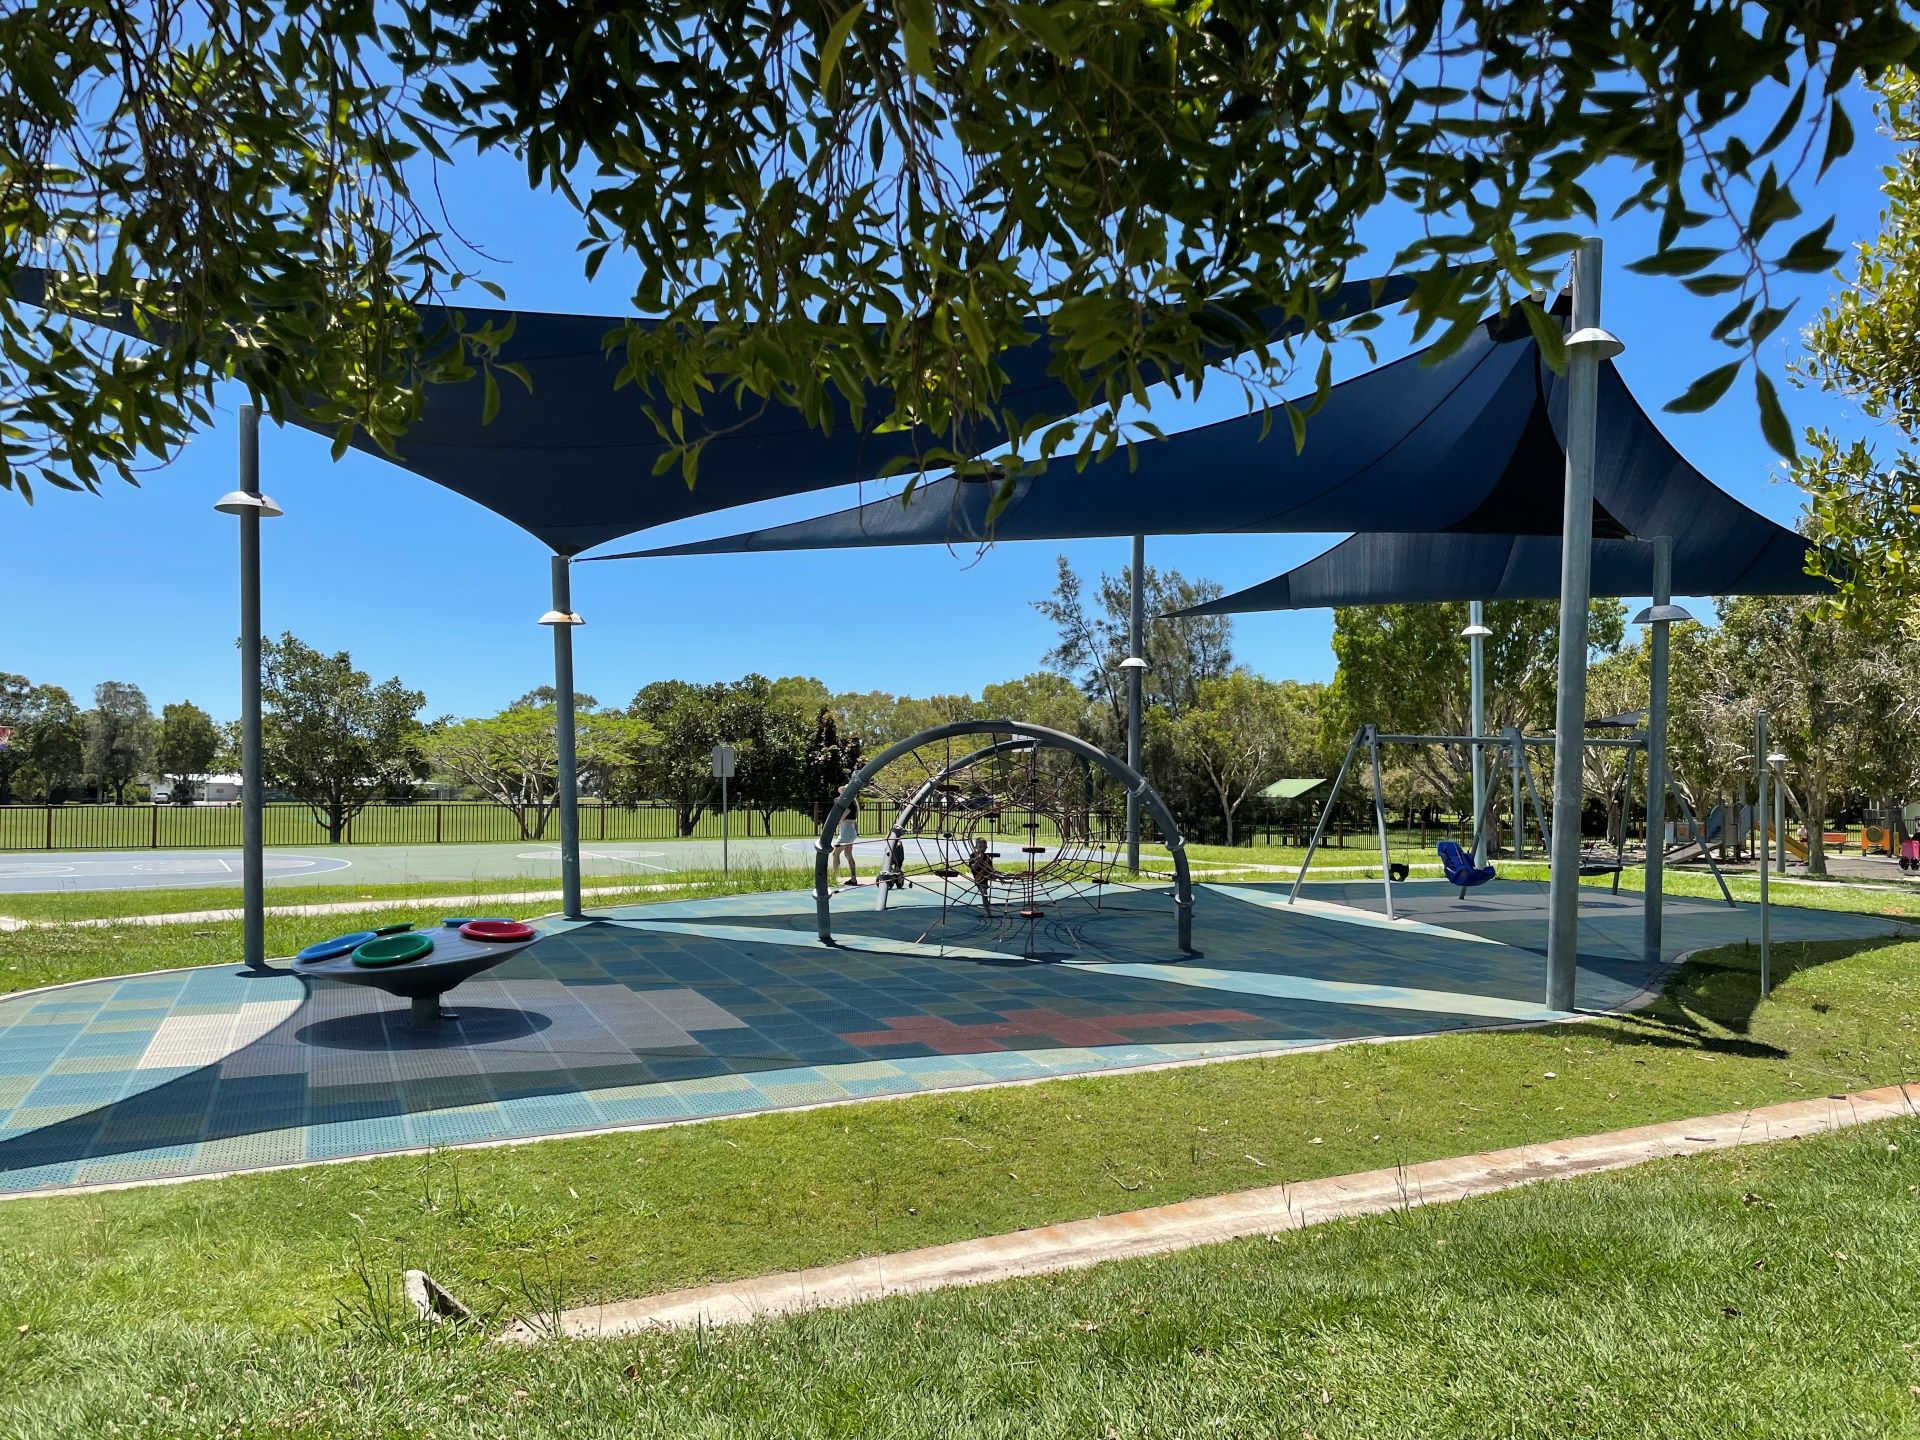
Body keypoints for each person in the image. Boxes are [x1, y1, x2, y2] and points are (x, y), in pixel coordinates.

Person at [966, 837, 999, 915]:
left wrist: (997, 876)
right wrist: (978, 860)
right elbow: (974, 868)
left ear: (986, 847)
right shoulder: (973, 855)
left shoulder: (987, 857)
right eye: (980, 847)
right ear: (976, 847)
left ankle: (1017, 877)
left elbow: (991, 870)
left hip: (987, 875)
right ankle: (988, 913)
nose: (982, 848)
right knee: (984, 893)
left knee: (1001, 876)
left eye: (984, 847)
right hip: (979, 878)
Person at [832, 804, 860, 885]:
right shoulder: (854, 804)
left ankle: (834, 876)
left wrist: (839, 818)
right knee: (848, 854)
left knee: (835, 853)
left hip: (846, 831)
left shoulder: (849, 803)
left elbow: (843, 816)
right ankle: (853, 878)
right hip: (850, 830)